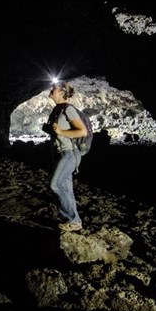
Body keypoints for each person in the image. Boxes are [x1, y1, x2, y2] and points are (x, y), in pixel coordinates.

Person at [43, 81, 88, 232]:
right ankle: (74, 221)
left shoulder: (68, 109)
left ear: (61, 92)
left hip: (69, 154)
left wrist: (61, 132)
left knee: (55, 184)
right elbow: (59, 132)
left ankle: (74, 220)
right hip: (60, 153)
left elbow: (82, 131)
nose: (51, 89)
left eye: (54, 88)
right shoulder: (58, 109)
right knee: (66, 189)